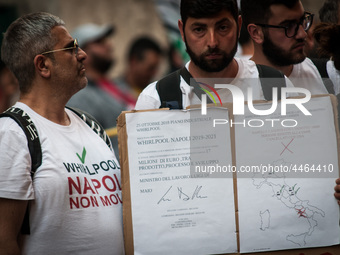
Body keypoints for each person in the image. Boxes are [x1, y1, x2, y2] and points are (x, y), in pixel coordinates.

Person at [0, 12, 124, 255]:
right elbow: (4, 241)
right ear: (43, 65)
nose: (83, 54)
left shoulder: (90, 124)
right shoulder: (12, 133)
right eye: (71, 48)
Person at [135, 0, 294, 110]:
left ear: (239, 26)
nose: (212, 42)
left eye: (223, 28)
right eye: (199, 30)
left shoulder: (276, 85)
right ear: (182, 31)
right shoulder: (155, 100)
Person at [68, 23, 135, 159]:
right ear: (80, 53)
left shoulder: (116, 86)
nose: (109, 46)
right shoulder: (80, 97)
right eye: (99, 42)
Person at [241, 0, 333, 95]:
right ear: (256, 33)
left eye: (302, 21)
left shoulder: (327, 74)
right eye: (288, 26)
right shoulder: (236, 91)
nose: (302, 34)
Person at [114, 36, 163, 101]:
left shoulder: (157, 96)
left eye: (156, 68)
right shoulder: (113, 93)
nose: (154, 73)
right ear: (133, 61)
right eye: (150, 68)